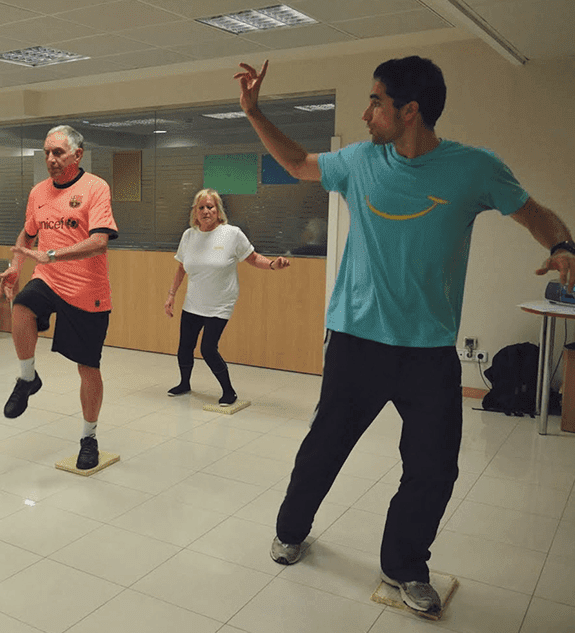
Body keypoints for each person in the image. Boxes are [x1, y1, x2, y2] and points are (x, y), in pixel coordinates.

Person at [235, 56, 575, 615]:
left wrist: (562, 247)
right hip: (356, 339)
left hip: (428, 350)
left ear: (409, 111)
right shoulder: (359, 161)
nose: (366, 113)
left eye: (376, 101)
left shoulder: (474, 169)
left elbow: (536, 214)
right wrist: (253, 111)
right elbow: (297, 163)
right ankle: (291, 530)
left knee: (434, 465)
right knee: (325, 447)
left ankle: (404, 566)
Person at [0, 125, 118, 470]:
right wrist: (17, 265)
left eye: (58, 153)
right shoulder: (38, 192)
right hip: (48, 278)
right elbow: (29, 231)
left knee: (88, 368)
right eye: (47, 152)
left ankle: (89, 437)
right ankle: (27, 378)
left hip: (87, 290)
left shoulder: (95, 188)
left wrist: (54, 256)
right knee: (22, 306)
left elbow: (99, 241)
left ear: (77, 155)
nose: (50, 159)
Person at [164, 188, 289, 406]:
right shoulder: (189, 236)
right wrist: (171, 294)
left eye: (210, 207)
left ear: (218, 210)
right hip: (193, 302)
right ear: (195, 212)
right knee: (185, 346)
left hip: (220, 303)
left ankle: (229, 391)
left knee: (208, 349)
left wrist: (271, 265)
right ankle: (184, 383)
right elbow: (182, 268)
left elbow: (252, 258)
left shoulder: (232, 234)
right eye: (201, 207)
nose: (205, 211)